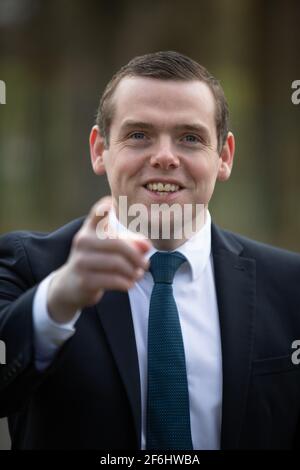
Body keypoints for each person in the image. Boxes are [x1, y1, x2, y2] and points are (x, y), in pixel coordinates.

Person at [0, 51, 300, 450]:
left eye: (189, 138)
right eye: (139, 134)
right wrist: (60, 298)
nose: (164, 156)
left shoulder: (290, 285)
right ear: (99, 150)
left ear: (224, 157)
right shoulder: (28, 267)